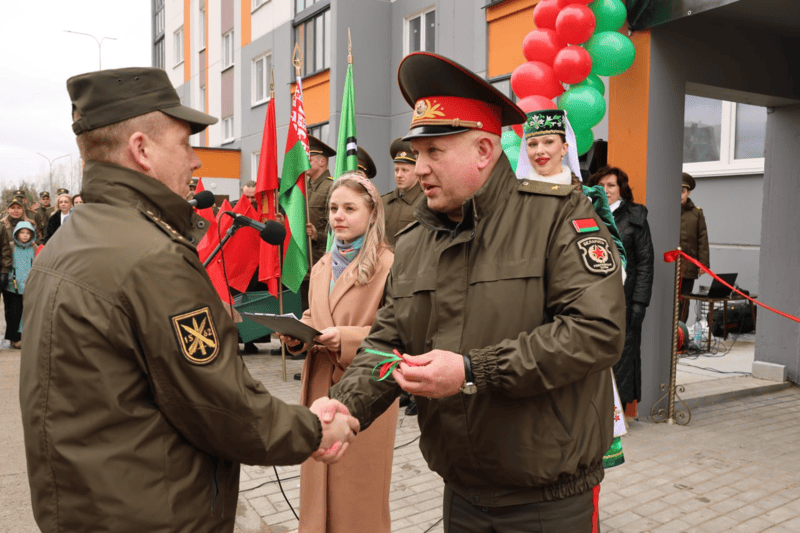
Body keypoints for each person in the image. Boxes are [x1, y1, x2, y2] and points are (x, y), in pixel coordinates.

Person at [19, 66, 358, 533]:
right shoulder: (152, 257)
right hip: (153, 515)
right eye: (184, 144)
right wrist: (314, 429)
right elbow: (223, 409)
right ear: (141, 149)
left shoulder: (67, 240)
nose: (196, 161)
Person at [324, 52, 625, 532]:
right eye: (416, 153)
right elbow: (387, 343)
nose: (419, 168)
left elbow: (596, 332)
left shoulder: (559, 216)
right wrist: (346, 404)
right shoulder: (415, 241)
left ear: (484, 150)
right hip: (462, 494)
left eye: (434, 152)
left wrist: (471, 370)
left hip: (548, 500)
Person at [280, 171, 398, 533]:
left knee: (356, 494)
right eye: (333, 209)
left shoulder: (388, 265)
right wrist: (295, 335)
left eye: (349, 208)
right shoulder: (322, 265)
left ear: (373, 214)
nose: (338, 217)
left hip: (364, 393)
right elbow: (316, 315)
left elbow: (398, 334)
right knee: (319, 487)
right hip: (319, 389)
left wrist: (345, 339)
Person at [589, 166, 654, 420]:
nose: (606, 191)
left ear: (621, 189)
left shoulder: (635, 217)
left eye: (611, 186)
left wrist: (640, 302)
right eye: (601, 186)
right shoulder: (587, 213)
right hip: (594, 298)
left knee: (624, 355)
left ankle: (617, 415)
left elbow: (645, 263)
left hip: (625, 300)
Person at [680, 172, 709, 323]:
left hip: (689, 265)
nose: (679, 195)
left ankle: (680, 332)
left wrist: (703, 263)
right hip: (670, 264)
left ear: (688, 193)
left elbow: (702, 239)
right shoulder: (667, 210)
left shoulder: (696, 213)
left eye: (682, 191)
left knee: (684, 301)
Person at [382, 137, 423, 247]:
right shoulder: (383, 202)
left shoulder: (425, 202)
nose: (399, 175)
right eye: (396, 170)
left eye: (405, 170)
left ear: (417, 171)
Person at [4, 221, 35, 349]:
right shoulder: (11, 247)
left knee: (28, 313)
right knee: (14, 313)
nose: (25, 235)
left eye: (28, 233)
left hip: (30, 286)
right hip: (13, 286)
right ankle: (15, 338)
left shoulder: (34, 248)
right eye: (22, 232)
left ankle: (26, 337)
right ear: (16, 234)